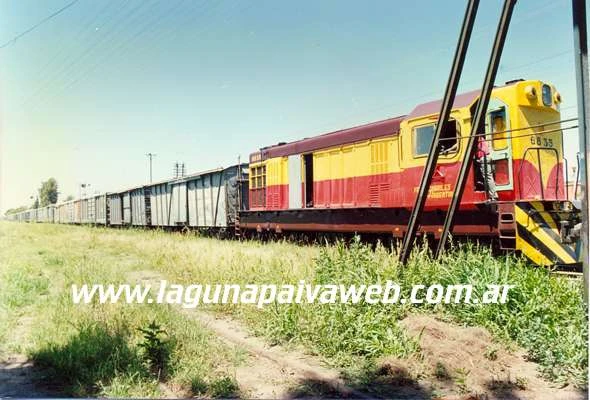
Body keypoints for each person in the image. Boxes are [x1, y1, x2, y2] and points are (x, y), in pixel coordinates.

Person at [476, 134, 498, 201]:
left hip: (484, 158)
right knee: (487, 177)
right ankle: (491, 196)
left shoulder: (477, 138)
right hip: (486, 157)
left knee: (488, 177)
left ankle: (493, 195)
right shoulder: (482, 138)